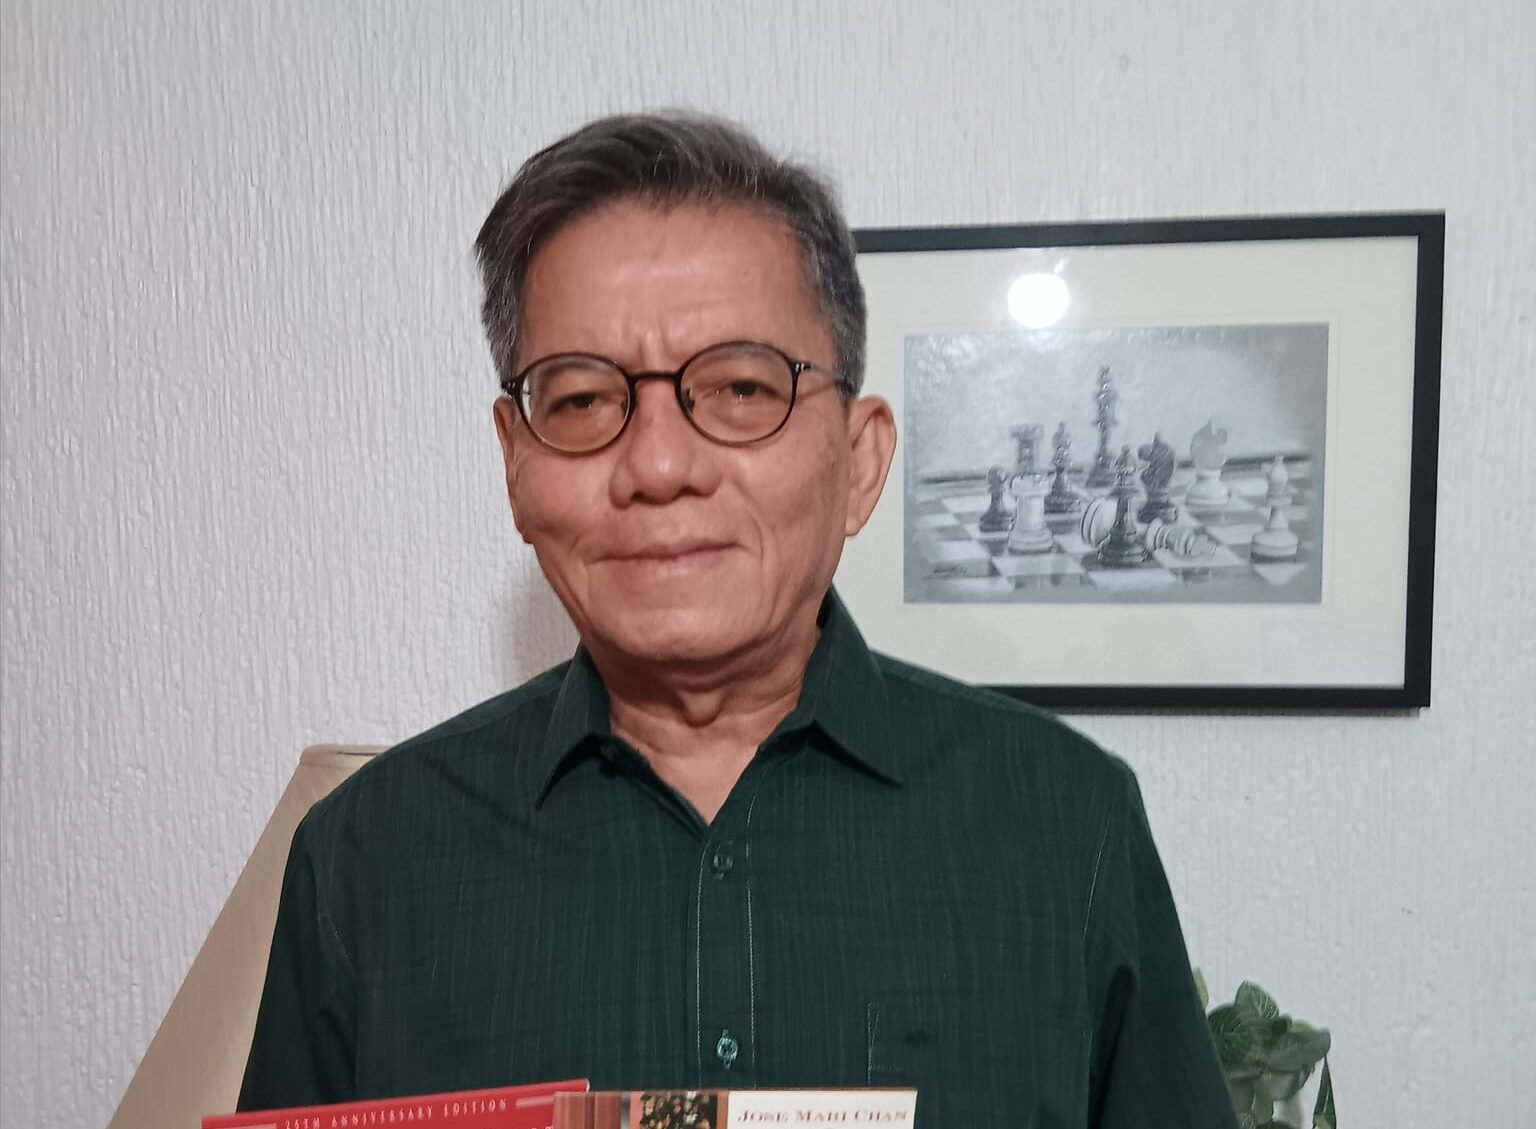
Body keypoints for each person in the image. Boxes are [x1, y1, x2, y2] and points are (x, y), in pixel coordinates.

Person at [240, 112, 1235, 1128]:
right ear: (514, 461)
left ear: (860, 459)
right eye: (580, 401)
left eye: (742, 387)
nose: (659, 465)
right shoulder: (366, 859)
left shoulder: (1064, 823)